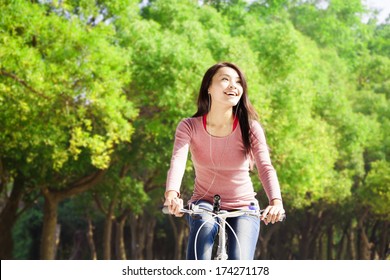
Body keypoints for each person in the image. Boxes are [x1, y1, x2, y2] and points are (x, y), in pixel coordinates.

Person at [164, 62, 285, 260]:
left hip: (244, 206)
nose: (233, 86)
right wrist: (171, 195)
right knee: (203, 231)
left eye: (238, 82)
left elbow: (265, 167)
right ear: (208, 88)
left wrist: (276, 202)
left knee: (239, 261)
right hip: (203, 203)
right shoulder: (189, 126)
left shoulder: (250, 128)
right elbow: (178, 161)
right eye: (225, 79)